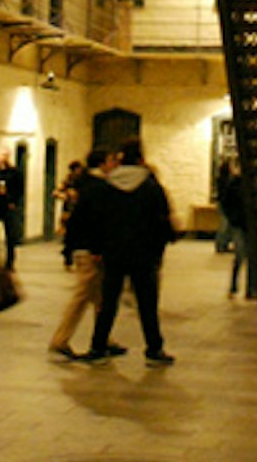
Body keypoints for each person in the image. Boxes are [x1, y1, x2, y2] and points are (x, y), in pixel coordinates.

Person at [84, 138, 178, 366]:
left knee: (109, 302)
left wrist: (97, 248)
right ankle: (154, 349)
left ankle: (98, 346)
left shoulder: (108, 186)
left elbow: (98, 220)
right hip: (144, 253)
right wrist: (158, 249)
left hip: (113, 251)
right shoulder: (151, 186)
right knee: (147, 304)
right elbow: (162, 221)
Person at [50, 148, 113, 359]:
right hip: (89, 249)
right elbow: (96, 220)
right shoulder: (99, 187)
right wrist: (98, 249)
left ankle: (105, 337)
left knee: (100, 295)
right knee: (83, 294)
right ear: (103, 164)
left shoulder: (84, 185)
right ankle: (60, 339)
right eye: (111, 160)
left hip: (81, 245)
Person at [219, 152, 251, 298]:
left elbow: (225, 202)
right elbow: (227, 202)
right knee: (241, 254)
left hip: (240, 223)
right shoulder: (238, 183)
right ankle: (240, 286)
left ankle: (242, 286)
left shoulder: (236, 183)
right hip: (242, 223)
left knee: (241, 255)